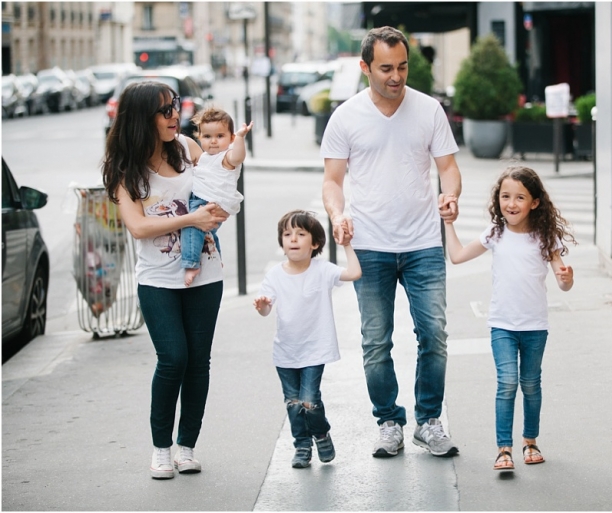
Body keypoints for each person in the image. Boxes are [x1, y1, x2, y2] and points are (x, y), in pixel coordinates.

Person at [320, 26, 462, 458]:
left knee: (434, 334)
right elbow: (331, 181)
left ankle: (430, 421)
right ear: (365, 67)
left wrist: (450, 195)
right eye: (386, 68)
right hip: (370, 245)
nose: (397, 76)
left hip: (422, 243)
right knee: (376, 340)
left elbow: (449, 168)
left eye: (402, 66)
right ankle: (388, 422)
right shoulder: (345, 117)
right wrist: (337, 214)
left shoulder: (429, 110)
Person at [102, 81, 230, 479]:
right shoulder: (126, 170)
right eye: (164, 111)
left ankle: (186, 446)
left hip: (206, 273)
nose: (175, 115)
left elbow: (221, 186)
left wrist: (219, 209)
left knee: (199, 363)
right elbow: (138, 227)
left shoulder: (190, 151)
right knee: (173, 358)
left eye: (174, 106)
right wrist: (192, 218)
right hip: (157, 279)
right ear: (143, 119)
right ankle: (161, 448)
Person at [443, 166, 575, 471]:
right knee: (507, 383)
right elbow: (458, 256)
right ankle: (504, 449)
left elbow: (563, 282)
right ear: (497, 200)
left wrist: (568, 278)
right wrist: (449, 224)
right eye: (505, 196)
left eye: (519, 197)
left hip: (535, 327)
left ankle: (530, 442)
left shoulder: (545, 238)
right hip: (502, 324)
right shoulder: (495, 234)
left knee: (530, 384)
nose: (511, 203)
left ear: (535, 203)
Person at [253, 210, 362, 468]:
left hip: (315, 349)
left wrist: (346, 245)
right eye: (287, 234)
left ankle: (321, 433)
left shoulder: (322, 270)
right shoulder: (275, 275)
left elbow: (354, 273)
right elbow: (267, 309)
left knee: (310, 402)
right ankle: (302, 446)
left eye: (301, 234)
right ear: (281, 242)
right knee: (293, 403)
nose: (293, 238)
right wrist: (262, 306)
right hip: (285, 352)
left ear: (314, 244)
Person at [181, 107, 253, 287]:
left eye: (220, 136)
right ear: (199, 137)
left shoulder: (226, 156)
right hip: (205, 198)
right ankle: (215, 258)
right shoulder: (205, 157)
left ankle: (191, 264)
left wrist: (241, 138)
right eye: (207, 137)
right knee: (210, 234)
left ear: (230, 138)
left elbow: (238, 157)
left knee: (192, 227)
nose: (213, 141)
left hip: (208, 201)